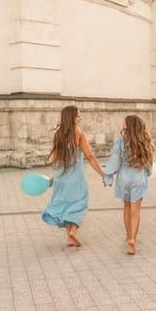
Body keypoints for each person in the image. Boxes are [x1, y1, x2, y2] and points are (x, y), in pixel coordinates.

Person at [42, 105, 105, 247]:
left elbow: (56, 159)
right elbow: (90, 156)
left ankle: (70, 238)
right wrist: (102, 174)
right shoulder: (79, 133)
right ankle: (73, 232)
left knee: (65, 204)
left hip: (61, 177)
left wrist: (54, 177)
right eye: (78, 116)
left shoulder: (57, 134)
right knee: (79, 204)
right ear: (71, 117)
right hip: (76, 177)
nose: (80, 118)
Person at [103, 115, 156, 255]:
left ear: (128, 125)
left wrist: (108, 175)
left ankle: (128, 236)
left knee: (126, 207)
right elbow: (149, 162)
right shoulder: (145, 141)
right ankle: (133, 239)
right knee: (135, 211)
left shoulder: (120, 141)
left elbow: (114, 160)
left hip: (123, 176)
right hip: (138, 175)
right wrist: (149, 172)